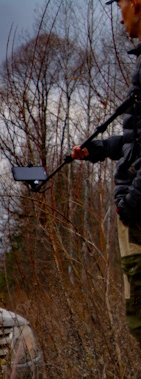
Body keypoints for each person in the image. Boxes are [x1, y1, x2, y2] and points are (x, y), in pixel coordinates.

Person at [72, 0, 141, 344]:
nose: (119, 15)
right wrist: (96, 149)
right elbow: (135, 141)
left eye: (120, 4)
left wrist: (131, 202)